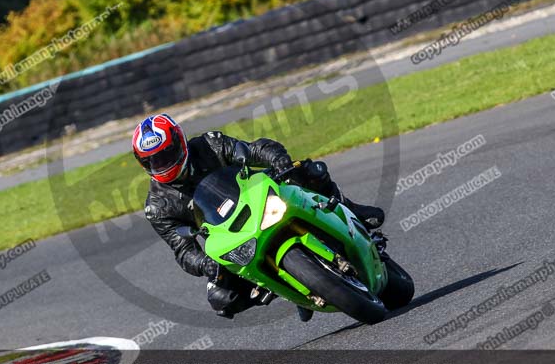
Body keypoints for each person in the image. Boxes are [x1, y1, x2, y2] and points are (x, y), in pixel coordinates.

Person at [133, 114, 385, 320]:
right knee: (222, 299)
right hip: (228, 235)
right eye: (152, 161)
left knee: (310, 171)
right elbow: (182, 250)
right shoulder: (157, 207)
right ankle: (288, 286)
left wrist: (276, 159)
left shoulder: (208, 145)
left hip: (255, 196)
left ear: (180, 142)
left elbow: (252, 149)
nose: (162, 164)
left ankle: (352, 210)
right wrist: (204, 264)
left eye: (165, 155)